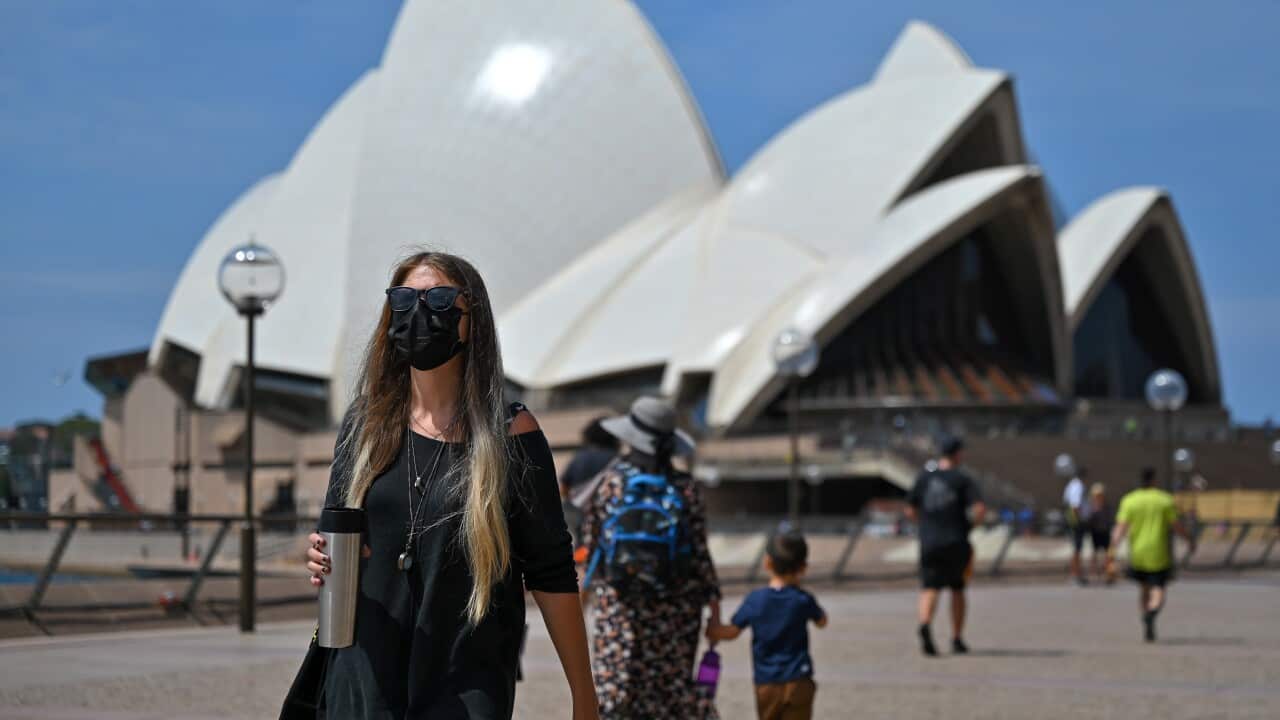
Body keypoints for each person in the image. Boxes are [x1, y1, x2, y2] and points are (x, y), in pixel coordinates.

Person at [304, 252, 597, 719]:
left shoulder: (509, 434)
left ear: (471, 321)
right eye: (403, 300)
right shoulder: (365, 424)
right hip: (365, 675)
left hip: (464, 682)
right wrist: (319, 554)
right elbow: (336, 529)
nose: (419, 313)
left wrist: (584, 694)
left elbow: (552, 570)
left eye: (439, 300)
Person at [580, 396, 721, 719]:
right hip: (677, 608)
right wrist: (714, 613)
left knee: (617, 695)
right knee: (668, 697)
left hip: (620, 607)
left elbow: (592, 549)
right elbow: (701, 555)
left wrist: (583, 601)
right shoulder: (686, 487)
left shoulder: (609, 483)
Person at [708, 529, 827, 720]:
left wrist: (714, 630)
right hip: (799, 679)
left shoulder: (756, 600)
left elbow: (732, 632)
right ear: (803, 568)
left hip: (767, 682)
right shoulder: (803, 600)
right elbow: (822, 622)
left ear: (767, 563)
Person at [905, 436, 985, 657]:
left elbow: (910, 510)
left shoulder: (924, 478)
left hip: (930, 540)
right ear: (958, 454)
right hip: (956, 539)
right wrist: (969, 526)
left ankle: (924, 623)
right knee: (957, 588)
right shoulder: (962, 479)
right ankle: (957, 638)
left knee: (929, 587)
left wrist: (925, 525)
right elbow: (979, 509)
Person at [1108, 467, 1194, 643]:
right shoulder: (1164, 500)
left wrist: (1112, 549)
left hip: (1138, 552)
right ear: (1154, 480)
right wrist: (1189, 540)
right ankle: (1152, 612)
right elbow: (1176, 525)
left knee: (1144, 588)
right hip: (1159, 553)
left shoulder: (1130, 500)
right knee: (1159, 589)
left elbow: (1120, 528)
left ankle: (1146, 618)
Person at [559, 417, 620, 548]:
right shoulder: (616, 458)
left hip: (576, 511)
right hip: (606, 511)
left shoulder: (580, 457)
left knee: (582, 543)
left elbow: (564, 487)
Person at [1063, 467, 1091, 585]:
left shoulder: (1073, 485)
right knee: (1077, 548)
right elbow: (1075, 505)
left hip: (1075, 520)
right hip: (1077, 521)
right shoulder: (1077, 486)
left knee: (1077, 548)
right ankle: (1076, 574)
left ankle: (1077, 573)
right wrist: (1080, 520)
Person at [1086, 483, 1115, 584]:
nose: (1098, 497)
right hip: (1095, 532)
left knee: (1108, 553)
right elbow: (1089, 519)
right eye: (1096, 495)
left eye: (1100, 495)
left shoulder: (1106, 506)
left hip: (1105, 532)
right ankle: (1094, 574)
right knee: (1094, 553)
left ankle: (1108, 574)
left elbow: (1110, 518)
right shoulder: (1092, 506)